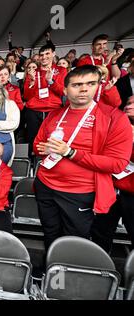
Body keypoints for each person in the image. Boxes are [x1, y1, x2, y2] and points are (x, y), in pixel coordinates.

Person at [33, 65, 133, 250]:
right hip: (46, 185)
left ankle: (69, 275)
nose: (84, 89)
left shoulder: (114, 117)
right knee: (50, 232)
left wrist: (71, 153)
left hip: (80, 192)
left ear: (98, 86)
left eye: (90, 83)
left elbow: (118, 164)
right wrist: (46, 149)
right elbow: (37, 144)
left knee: (74, 240)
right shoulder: (55, 114)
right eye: (77, 85)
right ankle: (51, 267)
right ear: (65, 89)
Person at [91, 96, 134, 252]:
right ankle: (99, 268)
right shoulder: (114, 127)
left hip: (131, 193)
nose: (129, 106)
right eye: (128, 103)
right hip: (110, 188)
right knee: (100, 232)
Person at [24, 44, 67, 156]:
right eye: (41, 55)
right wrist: (32, 82)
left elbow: (62, 91)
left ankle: (51, 162)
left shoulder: (60, 70)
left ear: (53, 54)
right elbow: (27, 96)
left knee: (53, 138)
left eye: (47, 54)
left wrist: (50, 81)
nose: (44, 57)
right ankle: (33, 164)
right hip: (34, 110)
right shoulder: (34, 72)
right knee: (33, 138)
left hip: (53, 110)